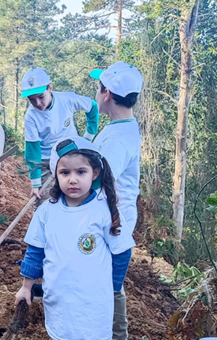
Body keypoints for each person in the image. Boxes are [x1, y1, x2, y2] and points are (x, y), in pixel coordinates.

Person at [15, 136, 131, 340]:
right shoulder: (46, 212)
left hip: (94, 306)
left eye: (81, 172)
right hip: (59, 303)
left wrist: (110, 287)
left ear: (94, 172)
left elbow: (122, 252)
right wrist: (26, 287)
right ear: (56, 174)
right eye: (65, 172)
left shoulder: (105, 211)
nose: (73, 179)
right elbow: (35, 252)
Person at [90, 61, 143, 340]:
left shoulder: (118, 140)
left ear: (107, 93)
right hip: (115, 220)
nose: (96, 95)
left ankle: (115, 335)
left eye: (98, 89)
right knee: (108, 287)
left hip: (112, 225)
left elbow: (101, 180)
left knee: (109, 289)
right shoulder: (123, 127)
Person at [21, 68, 99, 201]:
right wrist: (35, 183)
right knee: (45, 200)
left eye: (41, 97)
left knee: (74, 196)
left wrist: (88, 138)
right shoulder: (31, 116)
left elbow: (92, 107)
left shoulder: (67, 99)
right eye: (32, 100)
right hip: (45, 160)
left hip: (70, 154)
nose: (38, 103)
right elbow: (33, 151)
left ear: (50, 88)